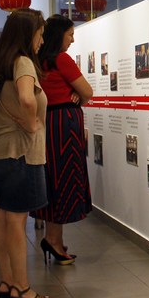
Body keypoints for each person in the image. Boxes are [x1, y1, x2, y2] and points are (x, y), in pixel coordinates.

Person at [0, 10, 50, 298]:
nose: (42, 40)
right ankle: (22, 287)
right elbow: (26, 98)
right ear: (27, 33)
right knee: (16, 221)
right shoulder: (22, 62)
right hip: (19, 151)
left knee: (0, 215)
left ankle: (7, 281)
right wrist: (32, 123)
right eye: (39, 33)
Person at [33, 15, 93, 264]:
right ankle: (54, 242)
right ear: (59, 35)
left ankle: (53, 237)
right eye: (70, 34)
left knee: (52, 179)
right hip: (64, 125)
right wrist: (77, 97)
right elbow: (87, 92)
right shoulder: (61, 58)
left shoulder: (37, 60)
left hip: (47, 122)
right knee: (65, 180)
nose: (72, 39)